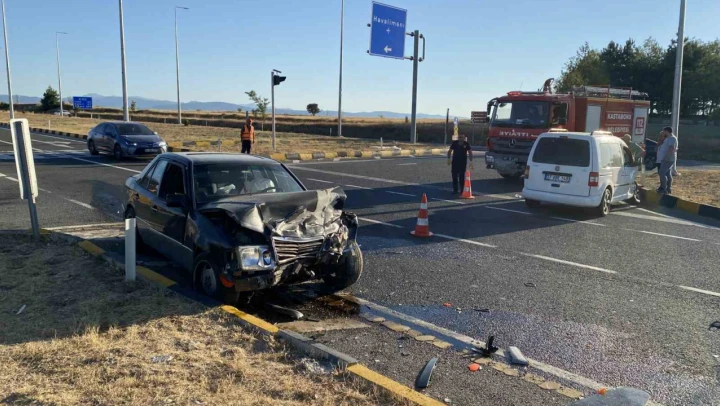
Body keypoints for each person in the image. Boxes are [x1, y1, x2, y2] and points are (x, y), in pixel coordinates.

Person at [656, 126, 678, 194]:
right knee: (667, 173)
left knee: (662, 172)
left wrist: (666, 157)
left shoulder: (672, 138)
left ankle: (663, 188)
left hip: (668, 159)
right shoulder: (668, 138)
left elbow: (672, 148)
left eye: (664, 131)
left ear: (667, 131)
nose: (663, 132)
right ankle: (668, 188)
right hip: (666, 159)